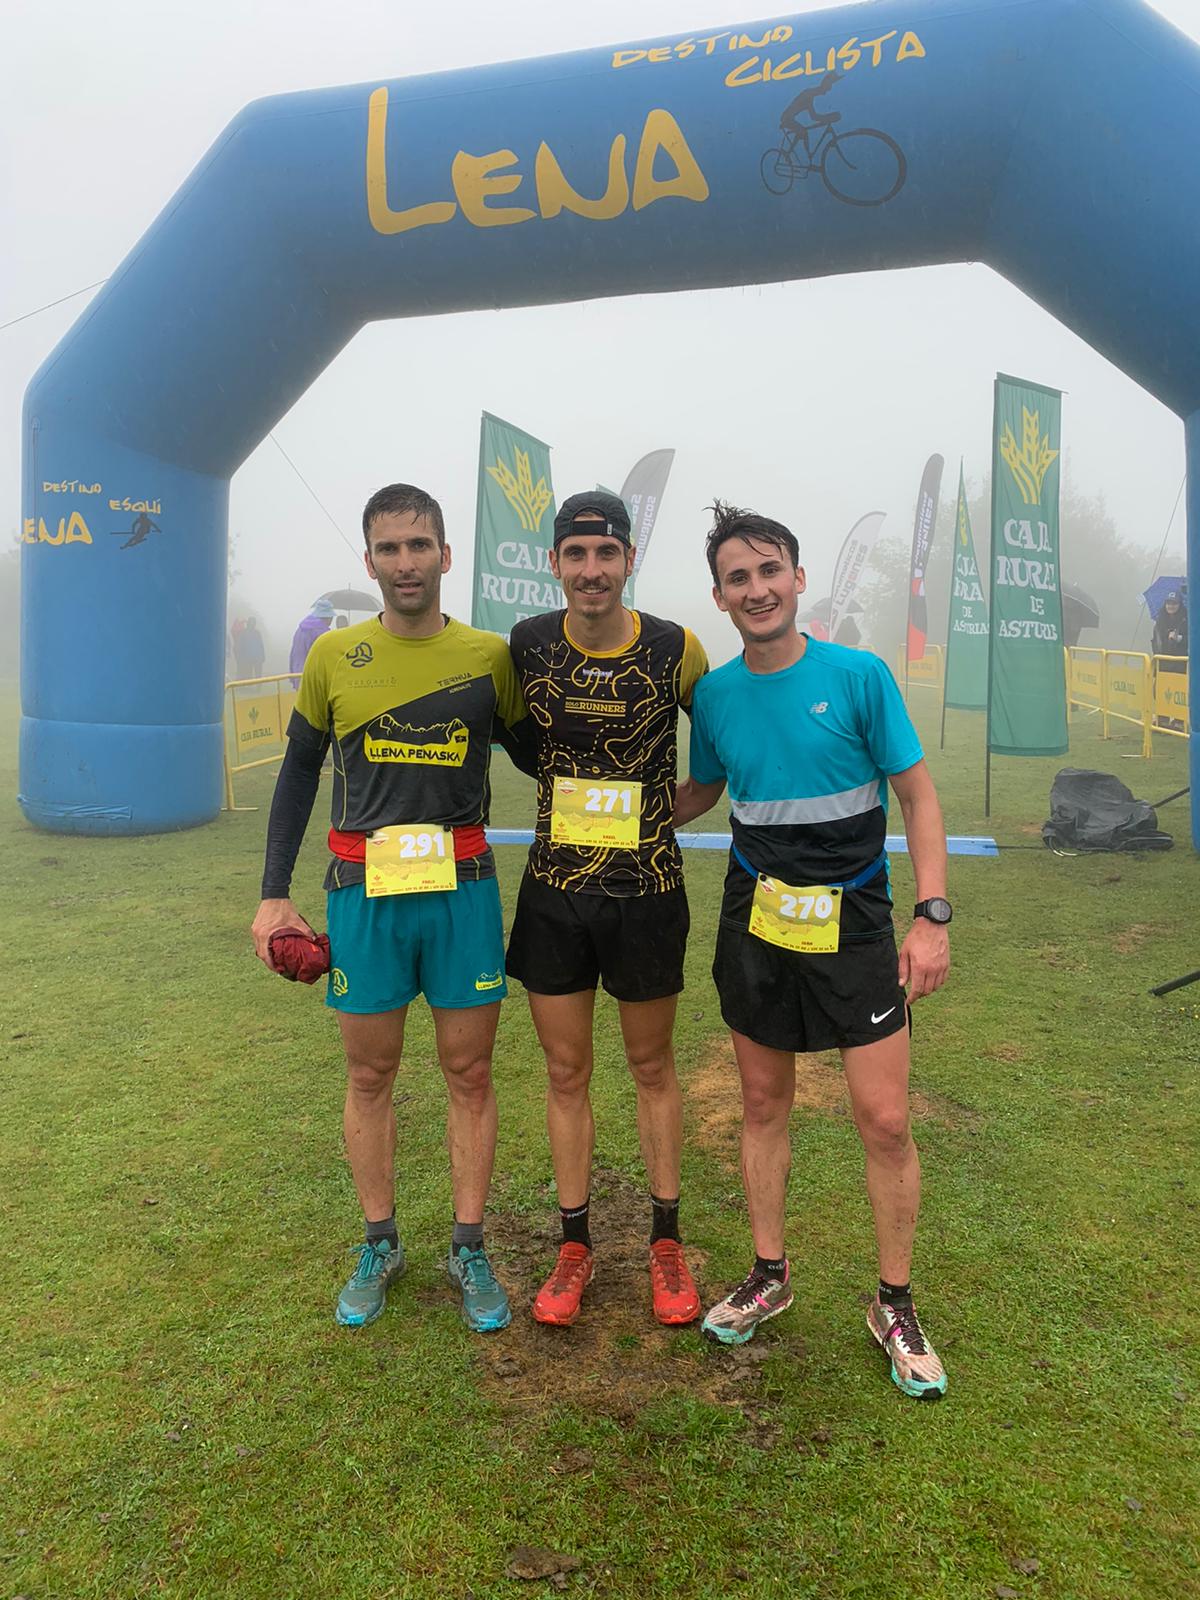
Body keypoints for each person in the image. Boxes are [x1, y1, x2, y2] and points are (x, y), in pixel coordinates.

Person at [675, 501, 951, 1400]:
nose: (755, 590)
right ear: (719, 598)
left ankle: (895, 1303)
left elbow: (916, 797)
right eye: (736, 578)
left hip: (859, 922)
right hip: (758, 917)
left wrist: (931, 916)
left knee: (885, 1120)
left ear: (798, 579)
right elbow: (707, 789)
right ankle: (769, 1274)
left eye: (768, 571)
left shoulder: (861, 676)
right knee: (762, 1104)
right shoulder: (713, 696)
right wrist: (612, 803)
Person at [251, 483, 535, 1335]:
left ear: (446, 556)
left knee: (470, 1074)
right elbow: (299, 772)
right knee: (369, 1074)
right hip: (364, 894)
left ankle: (470, 1245)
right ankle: (379, 1241)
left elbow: (543, 751)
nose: (405, 562)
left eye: (420, 545)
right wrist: (273, 893)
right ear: (369, 560)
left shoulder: (489, 656)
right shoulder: (336, 657)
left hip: (464, 890)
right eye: (389, 548)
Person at [506, 491, 709, 1328]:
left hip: (648, 892)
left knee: (652, 1068)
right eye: (576, 555)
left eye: (607, 554)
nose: (592, 571)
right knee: (565, 1072)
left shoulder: (675, 647)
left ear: (629, 561)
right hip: (556, 892)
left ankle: (667, 1244)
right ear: (554, 563)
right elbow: (521, 743)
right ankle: (575, 1246)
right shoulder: (525, 646)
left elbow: (723, 753)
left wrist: (662, 814)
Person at [289, 598, 335, 683]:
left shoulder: (301, 629)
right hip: (314, 678)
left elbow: (293, 653)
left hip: (297, 673)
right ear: (329, 617)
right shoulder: (322, 632)